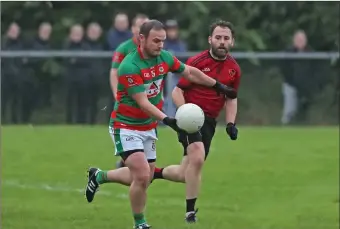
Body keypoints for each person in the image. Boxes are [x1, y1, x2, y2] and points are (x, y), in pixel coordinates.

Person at [84, 19, 237, 229]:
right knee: (141, 174)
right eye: (156, 41)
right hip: (126, 125)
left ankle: (99, 176)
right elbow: (143, 102)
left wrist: (218, 86)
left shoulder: (164, 57)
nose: (160, 45)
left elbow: (190, 72)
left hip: (148, 126)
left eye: (163, 41)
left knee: (144, 178)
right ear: (141, 39)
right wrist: (168, 120)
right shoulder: (130, 66)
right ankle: (140, 224)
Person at [151, 20, 241, 223]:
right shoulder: (197, 62)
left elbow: (231, 97)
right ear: (210, 39)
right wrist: (184, 113)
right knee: (198, 158)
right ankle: (190, 213)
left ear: (232, 42)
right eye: (218, 37)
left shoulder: (234, 69)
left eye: (226, 38)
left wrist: (230, 124)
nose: (221, 42)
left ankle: (153, 173)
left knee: (186, 172)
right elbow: (177, 91)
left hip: (209, 122)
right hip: (190, 119)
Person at [108, 13, 149, 121]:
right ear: (133, 29)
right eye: (140, 26)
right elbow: (114, 72)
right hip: (127, 95)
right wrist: (117, 95)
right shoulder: (124, 48)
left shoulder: (154, 48)